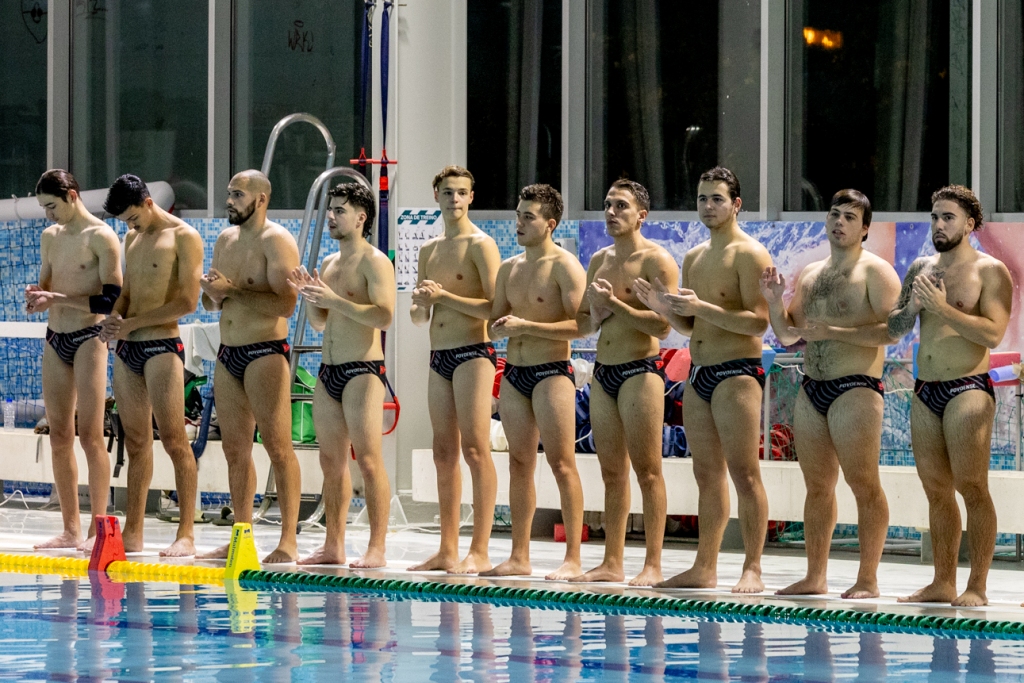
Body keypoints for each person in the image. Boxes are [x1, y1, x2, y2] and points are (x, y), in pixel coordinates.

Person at [636, 166, 772, 593]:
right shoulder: (694, 257)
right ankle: (705, 565)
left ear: (736, 204)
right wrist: (664, 307)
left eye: (716, 199)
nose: (708, 207)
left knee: (745, 473)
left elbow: (758, 324)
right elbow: (692, 326)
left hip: (737, 373)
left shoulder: (750, 254)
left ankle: (752, 567)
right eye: (701, 199)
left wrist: (703, 307)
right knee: (706, 473)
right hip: (700, 373)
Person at [760, 189, 901, 599]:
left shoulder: (876, 273)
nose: (839, 222)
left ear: (864, 229)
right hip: (812, 387)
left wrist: (834, 332)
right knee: (817, 486)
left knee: (863, 483)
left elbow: (893, 330)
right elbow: (789, 335)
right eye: (834, 214)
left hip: (854, 386)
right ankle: (815, 575)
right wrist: (772, 302)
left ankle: (868, 578)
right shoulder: (812, 274)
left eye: (850, 217)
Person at [888, 185, 1012, 607]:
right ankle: (942, 581)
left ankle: (976, 585)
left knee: (972, 486)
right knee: (936, 489)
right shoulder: (922, 267)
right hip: (926, 389)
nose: (939, 225)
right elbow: (894, 327)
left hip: (968, 388)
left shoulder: (991, 271)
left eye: (948, 218)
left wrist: (941, 309)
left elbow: (992, 332)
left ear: (970, 224)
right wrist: (911, 307)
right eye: (935, 217)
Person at [571, 179, 678, 586]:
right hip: (604, 370)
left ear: (641, 215)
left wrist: (615, 304)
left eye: (621, 206)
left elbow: (665, 326)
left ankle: (652, 563)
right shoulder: (599, 259)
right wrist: (597, 314)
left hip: (640, 370)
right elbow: (584, 319)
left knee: (648, 471)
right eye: (608, 205)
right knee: (611, 472)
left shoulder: (656, 260)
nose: (611, 212)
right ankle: (611, 561)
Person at [287, 182, 395, 568]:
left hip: (362, 371)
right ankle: (334, 545)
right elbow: (321, 323)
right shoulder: (331, 265)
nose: (331, 216)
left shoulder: (375, 261)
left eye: (339, 211)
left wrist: (334, 300)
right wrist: (310, 296)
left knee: (367, 459)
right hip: (328, 371)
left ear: (361, 218)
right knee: (330, 461)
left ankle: (377, 547)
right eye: (330, 210)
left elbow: (384, 315)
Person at [482, 184, 586, 581]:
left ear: (550, 224)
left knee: (562, 463)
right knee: (519, 463)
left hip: (551, 373)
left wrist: (526, 325)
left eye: (529, 217)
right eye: (519, 215)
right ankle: (519, 555)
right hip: (514, 373)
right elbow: (492, 325)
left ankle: (573, 558)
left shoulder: (564, 266)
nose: (520, 223)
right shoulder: (509, 269)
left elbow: (582, 326)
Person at [199, 170, 302, 564]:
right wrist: (211, 294)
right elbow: (216, 302)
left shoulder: (276, 241)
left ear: (260, 199)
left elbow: (285, 304)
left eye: (237, 194)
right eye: (228, 193)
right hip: (229, 354)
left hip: (265, 353)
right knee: (234, 448)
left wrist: (233, 292)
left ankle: (288, 540)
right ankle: (242, 535)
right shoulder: (226, 240)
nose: (229, 201)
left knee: (278, 447)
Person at [97, 174, 202, 556]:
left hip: (161, 347)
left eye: (132, 217)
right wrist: (114, 319)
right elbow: (128, 292)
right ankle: (134, 533)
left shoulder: (184, 236)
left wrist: (133, 323)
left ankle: (186, 533)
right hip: (128, 349)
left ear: (146, 201)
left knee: (174, 440)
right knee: (137, 442)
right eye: (125, 222)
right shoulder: (132, 238)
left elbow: (187, 302)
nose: (130, 226)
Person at [408, 165, 501, 574]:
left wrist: (444, 295)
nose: (455, 199)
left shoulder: (481, 245)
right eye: (448, 192)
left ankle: (479, 548)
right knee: (443, 452)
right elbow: (416, 316)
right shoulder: (429, 250)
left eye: (462, 192)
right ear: (437, 196)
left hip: (473, 353)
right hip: (438, 355)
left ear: (471, 197)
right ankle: (447, 548)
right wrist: (424, 303)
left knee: (476, 449)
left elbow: (496, 309)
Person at [27, 169, 122, 552]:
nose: (48, 214)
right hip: (55, 337)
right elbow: (47, 285)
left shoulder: (101, 236)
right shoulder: (50, 237)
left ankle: (98, 527)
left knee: (90, 435)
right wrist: (37, 297)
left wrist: (59, 299)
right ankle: (69, 528)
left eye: (51, 206)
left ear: (70, 195)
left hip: (89, 337)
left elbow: (110, 298)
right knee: (60, 435)